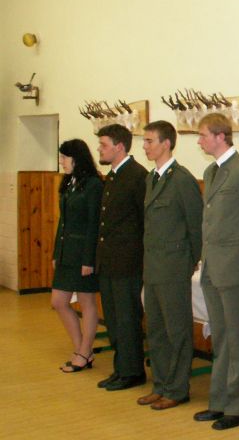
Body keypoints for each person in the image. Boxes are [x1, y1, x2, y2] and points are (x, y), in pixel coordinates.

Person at [194, 113, 239, 430]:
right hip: (212, 266)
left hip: (235, 269)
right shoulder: (212, 171)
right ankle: (219, 400)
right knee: (220, 336)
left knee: (237, 338)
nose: (199, 141)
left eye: (203, 135)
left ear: (221, 136)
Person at [136, 121, 203, 410]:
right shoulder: (152, 178)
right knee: (156, 330)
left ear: (166, 143)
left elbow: (196, 227)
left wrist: (189, 263)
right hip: (153, 266)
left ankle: (177, 388)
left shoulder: (182, 179)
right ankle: (161, 384)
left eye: (149, 141)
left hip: (174, 266)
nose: (145, 146)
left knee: (177, 331)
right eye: (144, 141)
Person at [95, 124, 148, 391]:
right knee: (114, 320)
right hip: (109, 260)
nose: (99, 150)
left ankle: (132, 371)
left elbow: (144, 222)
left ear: (119, 147)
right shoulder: (114, 176)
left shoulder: (137, 176)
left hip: (128, 262)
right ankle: (121, 368)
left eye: (104, 145)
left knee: (127, 319)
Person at [52, 139, 103, 373]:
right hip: (66, 252)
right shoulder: (68, 182)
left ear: (77, 158)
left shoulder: (93, 184)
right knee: (58, 302)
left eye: (64, 157)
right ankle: (82, 349)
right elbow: (63, 222)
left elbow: (94, 224)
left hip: (83, 254)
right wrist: (57, 252)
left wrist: (88, 260)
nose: (61, 161)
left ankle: (83, 352)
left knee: (87, 302)